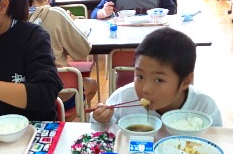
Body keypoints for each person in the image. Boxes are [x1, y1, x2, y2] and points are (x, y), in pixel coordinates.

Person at [91, 28, 223, 126]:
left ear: (185, 81)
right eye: (140, 76)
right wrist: (101, 120)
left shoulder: (204, 107)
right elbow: (102, 134)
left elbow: (218, 142)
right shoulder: (123, 97)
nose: (145, 89)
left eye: (159, 80)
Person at [19, 0, 98, 113]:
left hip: (22, 97)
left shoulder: (12, 20)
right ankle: (65, 120)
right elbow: (82, 51)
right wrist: (69, 23)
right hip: (60, 94)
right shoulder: (56, 14)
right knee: (92, 84)